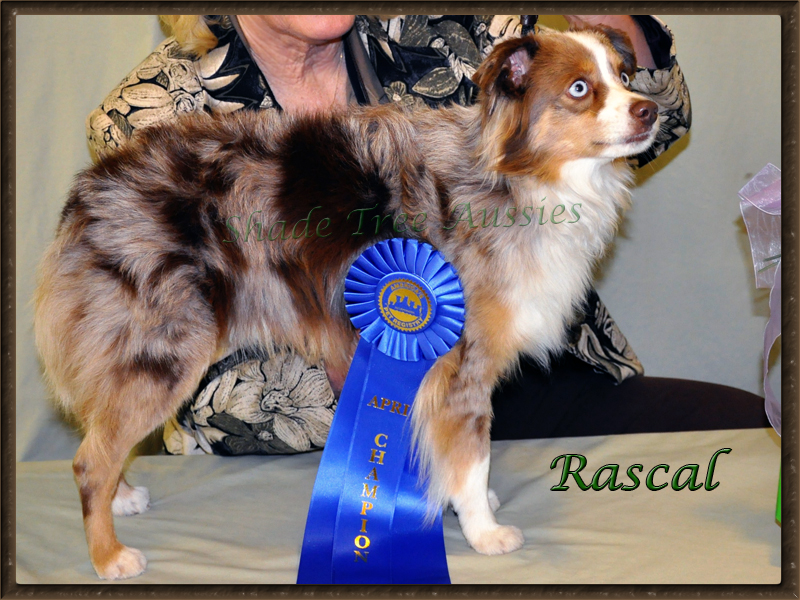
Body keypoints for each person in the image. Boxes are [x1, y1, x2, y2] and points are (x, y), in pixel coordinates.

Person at [86, 14, 768, 457]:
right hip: (332, 441)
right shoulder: (150, 116)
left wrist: (625, 34)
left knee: (745, 432)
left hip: (531, 386)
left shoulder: (449, 32)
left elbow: (652, 127)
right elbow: (185, 354)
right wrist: (369, 362)